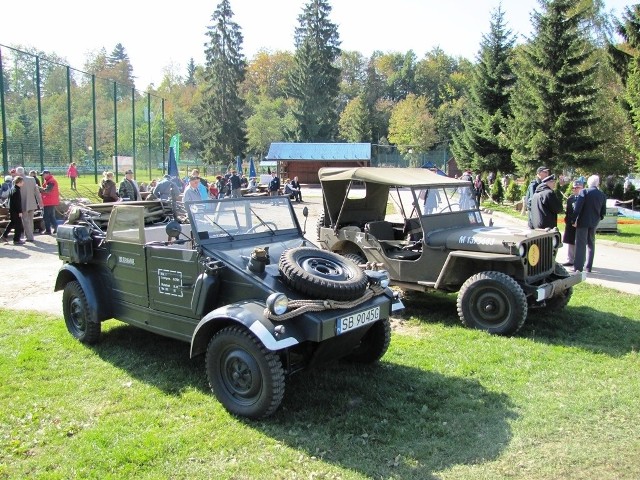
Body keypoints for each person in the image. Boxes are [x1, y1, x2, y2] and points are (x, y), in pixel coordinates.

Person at [572, 175, 607, 273]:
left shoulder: (584, 192)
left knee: (581, 244)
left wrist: (573, 219)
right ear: (598, 183)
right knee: (591, 243)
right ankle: (588, 267)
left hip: (583, 221)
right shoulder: (602, 195)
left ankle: (578, 267)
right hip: (594, 222)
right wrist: (599, 218)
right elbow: (603, 211)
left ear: (588, 183)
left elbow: (578, 207)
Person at [16, 166, 42, 242]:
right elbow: (36, 191)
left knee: (25, 220)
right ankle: (29, 235)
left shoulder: (17, 181)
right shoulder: (32, 179)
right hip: (32, 203)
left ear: (18, 172)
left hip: (22, 203)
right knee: (30, 220)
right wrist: (40, 202)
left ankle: (30, 237)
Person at [561, 180, 584, 266]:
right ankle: (570, 259)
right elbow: (568, 212)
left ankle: (579, 260)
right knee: (571, 242)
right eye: (574, 188)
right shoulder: (571, 199)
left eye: (577, 187)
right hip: (571, 223)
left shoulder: (585, 198)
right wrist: (568, 221)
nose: (575, 189)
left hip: (581, 223)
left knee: (580, 242)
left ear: (582, 188)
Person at [1, 176, 25, 245]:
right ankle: (16, 239)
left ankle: (4, 235)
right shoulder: (17, 190)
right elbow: (17, 202)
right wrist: (20, 211)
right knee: (18, 225)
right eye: (22, 182)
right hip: (16, 210)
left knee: (12, 223)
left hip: (11, 209)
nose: (23, 183)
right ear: (19, 182)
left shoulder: (12, 189)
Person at [39, 170, 60, 235]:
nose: (42, 176)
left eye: (43, 174)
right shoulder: (50, 180)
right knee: (51, 216)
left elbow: (48, 190)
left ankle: (48, 230)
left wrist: (39, 188)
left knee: (46, 216)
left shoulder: (51, 181)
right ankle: (56, 228)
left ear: (48, 174)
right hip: (51, 201)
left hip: (49, 201)